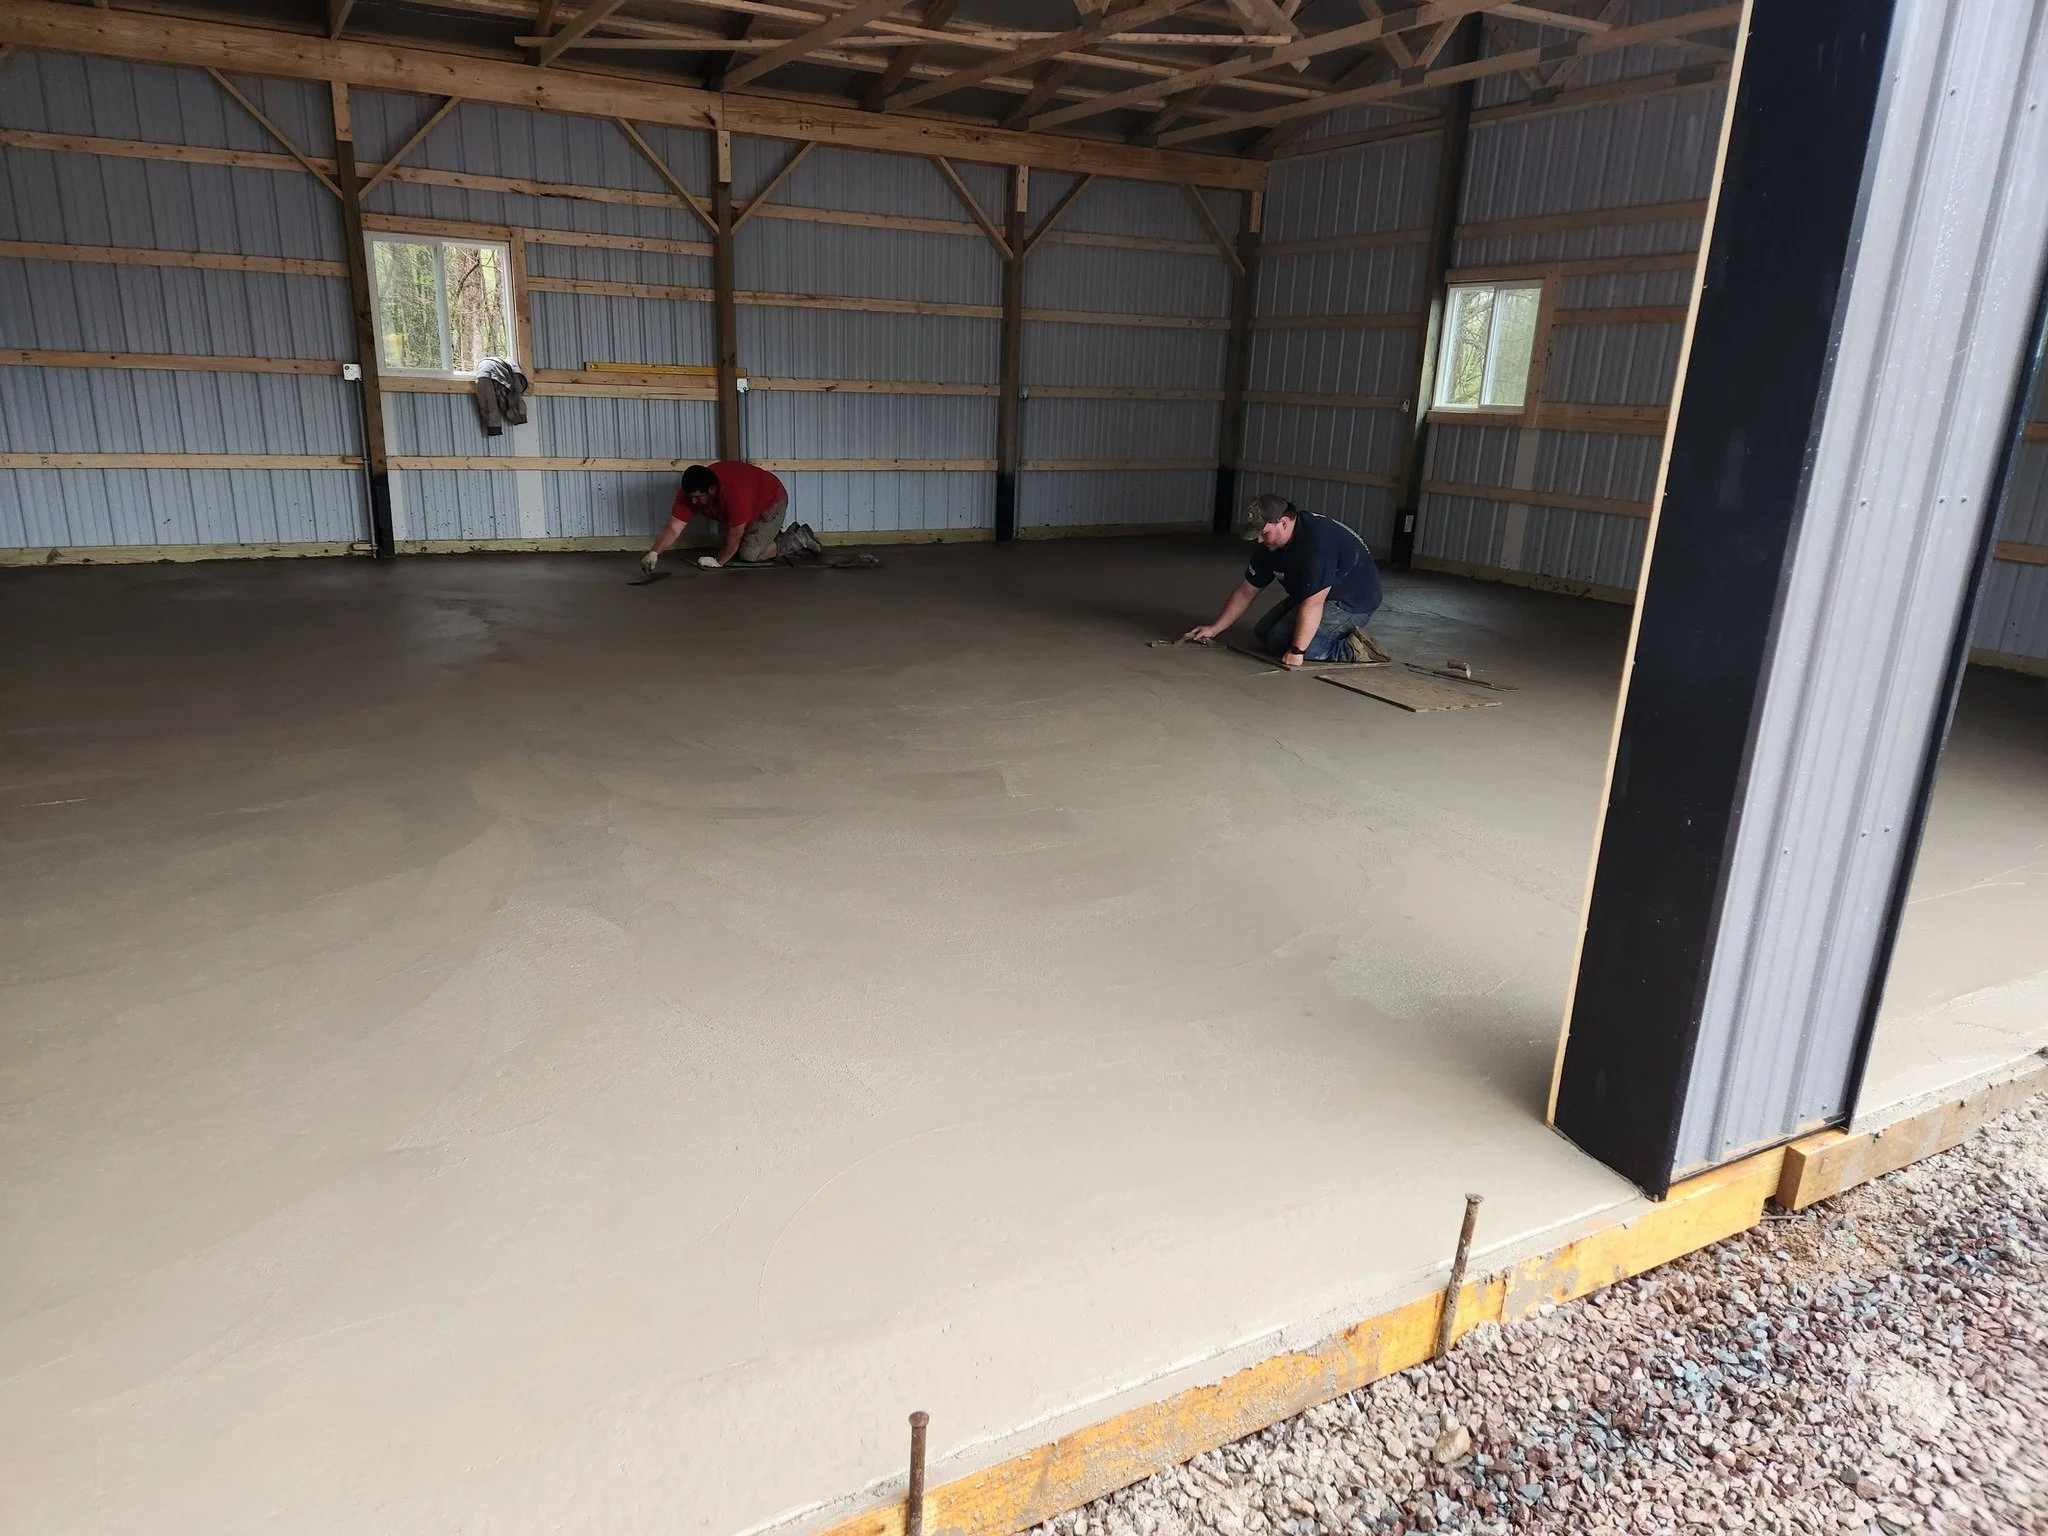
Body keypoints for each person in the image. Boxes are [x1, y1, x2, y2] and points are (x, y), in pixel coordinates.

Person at [1183, 494, 1383, 666]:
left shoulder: (1316, 545)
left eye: (1263, 533)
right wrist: (1214, 628)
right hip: (1315, 591)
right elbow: (1246, 591)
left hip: (1351, 600)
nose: (1260, 540)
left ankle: (1354, 649)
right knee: (1263, 632)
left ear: (1283, 523)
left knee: (1282, 642)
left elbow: (1314, 603)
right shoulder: (1270, 545)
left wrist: (1297, 652)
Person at [640, 461, 820, 572]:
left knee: (749, 554)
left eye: (698, 498)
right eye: (690, 498)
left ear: (711, 489)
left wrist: (719, 562)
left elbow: (735, 533)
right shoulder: (689, 494)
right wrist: (654, 553)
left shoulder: (734, 493)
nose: (693, 502)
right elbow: (673, 527)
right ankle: (767, 537)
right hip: (750, 504)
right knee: (730, 545)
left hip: (771, 501)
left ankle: (798, 538)